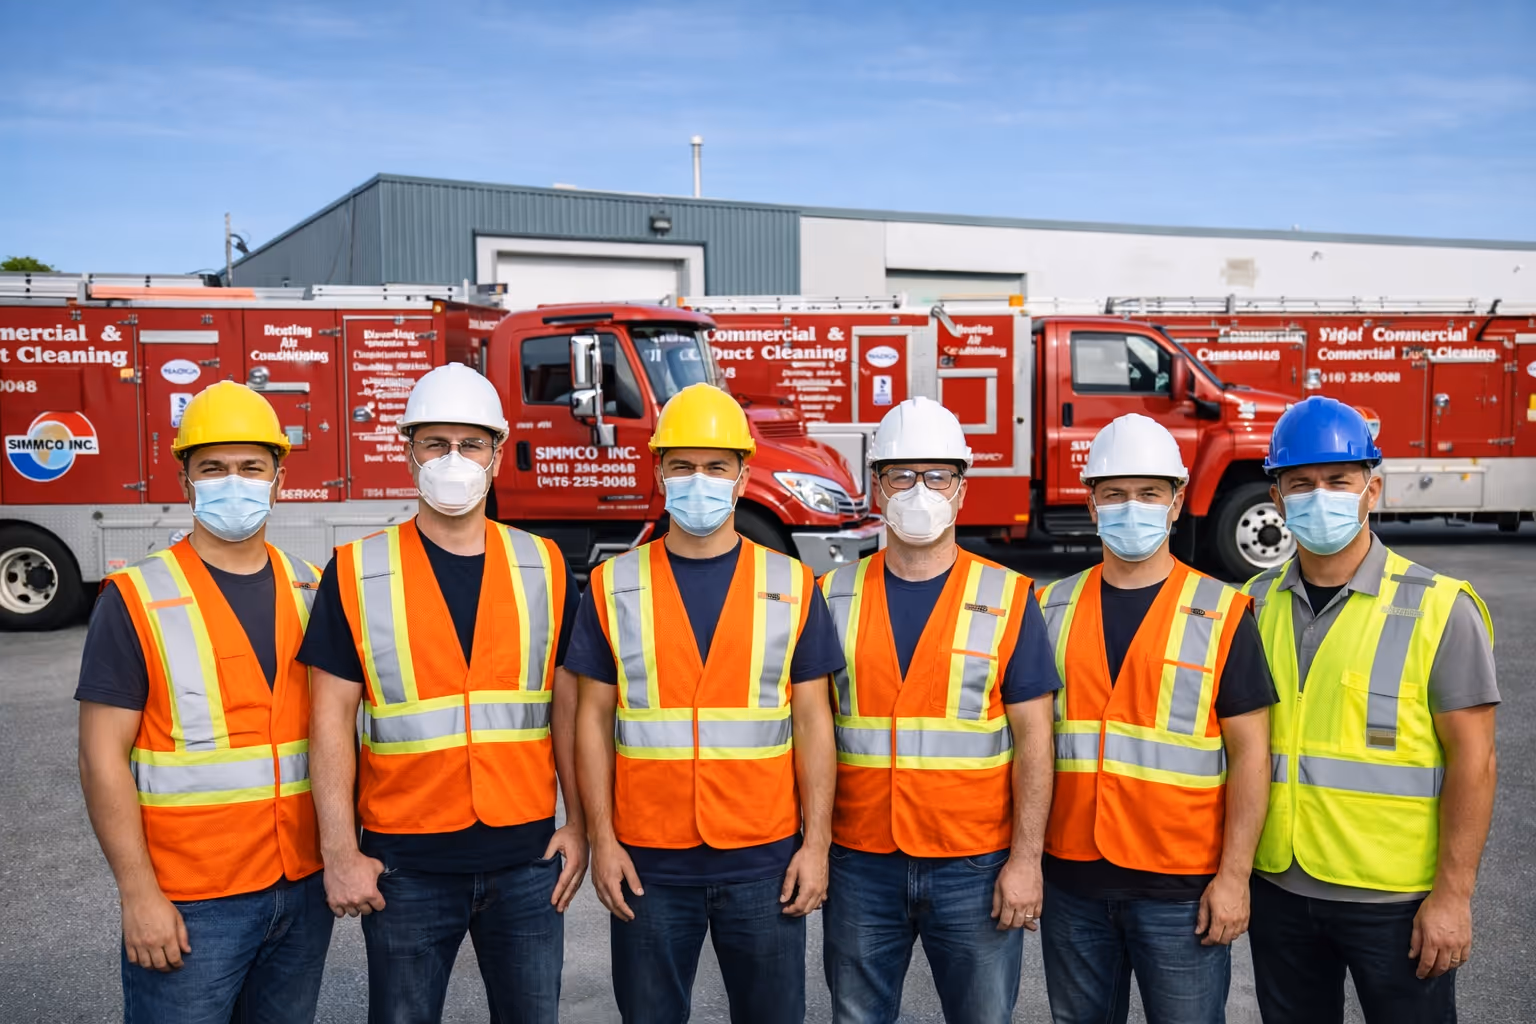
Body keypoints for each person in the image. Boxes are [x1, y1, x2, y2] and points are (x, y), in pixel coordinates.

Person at [301, 362, 585, 1024]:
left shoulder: (543, 564)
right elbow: (329, 720)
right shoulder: (357, 570)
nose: (452, 460)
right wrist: (340, 852)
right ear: (408, 455)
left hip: (525, 860)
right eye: (435, 443)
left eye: (471, 444)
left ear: (496, 456)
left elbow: (566, 709)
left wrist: (579, 824)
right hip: (405, 864)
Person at [569, 382, 842, 1024]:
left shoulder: (792, 583)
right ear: (659, 471)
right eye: (683, 465)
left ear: (744, 476)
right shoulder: (614, 585)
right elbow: (591, 722)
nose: (700, 480)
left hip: (765, 858)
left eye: (716, 466)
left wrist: (818, 846)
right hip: (647, 864)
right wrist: (604, 841)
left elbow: (813, 723)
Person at [76, 380, 332, 1023]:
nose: (234, 481)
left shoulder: (312, 586)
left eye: (251, 466)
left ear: (279, 476)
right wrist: (137, 894)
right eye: (212, 467)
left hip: (301, 887)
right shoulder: (135, 597)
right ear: (185, 478)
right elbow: (101, 757)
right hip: (190, 901)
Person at [1242, 396, 1499, 1024]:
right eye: (1300, 483)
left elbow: (1476, 762)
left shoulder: (1442, 608)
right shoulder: (1249, 605)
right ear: (1276, 498)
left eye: (1338, 481)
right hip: (1278, 884)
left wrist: (1453, 896)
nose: (1318, 495)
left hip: (1397, 899)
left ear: (1371, 488)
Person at [817, 397, 1059, 1024]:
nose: (918, 491)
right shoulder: (831, 594)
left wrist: (1026, 861)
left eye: (937, 476)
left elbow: (1036, 739)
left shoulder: (1007, 597)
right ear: (877, 487)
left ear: (961, 489)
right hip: (861, 859)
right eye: (901, 475)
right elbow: (810, 733)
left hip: (974, 864)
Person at [1035, 413, 1275, 1024]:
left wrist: (1234, 878)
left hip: (1181, 887)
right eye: (1114, 494)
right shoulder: (1049, 606)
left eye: (1148, 493)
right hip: (1073, 883)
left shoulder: (1221, 612)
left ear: (1175, 503)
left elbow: (1252, 756)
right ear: (1091, 504)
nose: (1130, 507)